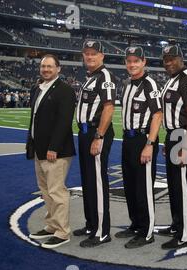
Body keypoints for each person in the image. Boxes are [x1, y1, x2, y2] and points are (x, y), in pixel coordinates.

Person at [115, 46, 163, 249]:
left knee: (143, 188)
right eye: (129, 61)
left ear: (144, 62)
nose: (132, 64)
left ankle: (147, 231)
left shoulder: (149, 83)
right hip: (128, 139)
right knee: (131, 186)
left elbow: (157, 114)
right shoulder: (127, 84)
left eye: (136, 61)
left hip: (143, 140)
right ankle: (135, 224)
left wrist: (150, 144)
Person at [27, 54, 76, 248]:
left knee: (57, 191)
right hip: (39, 149)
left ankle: (63, 232)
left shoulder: (65, 90)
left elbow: (64, 122)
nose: (45, 69)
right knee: (46, 191)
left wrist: (53, 147)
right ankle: (52, 225)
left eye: (49, 66)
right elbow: (35, 120)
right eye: (43, 66)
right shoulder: (37, 88)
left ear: (58, 69)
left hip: (55, 151)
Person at [73, 40, 116, 248]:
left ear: (102, 56)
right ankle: (91, 224)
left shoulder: (105, 76)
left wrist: (98, 136)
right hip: (84, 134)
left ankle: (101, 231)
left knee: (98, 183)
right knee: (88, 182)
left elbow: (108, 108)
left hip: (96, 133)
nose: (89, 57)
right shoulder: (90, 78)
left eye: (93, 54)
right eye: (86, 54)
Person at [158, 44, 187, 249]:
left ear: (181, 58)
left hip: (184, 135)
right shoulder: (172, 80)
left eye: (172, 58)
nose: (169, 63)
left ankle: (186, 235)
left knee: (183, 186)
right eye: (166, 60)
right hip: (173, 136)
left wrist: (186, 144)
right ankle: (177, 224)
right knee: (174, 185)